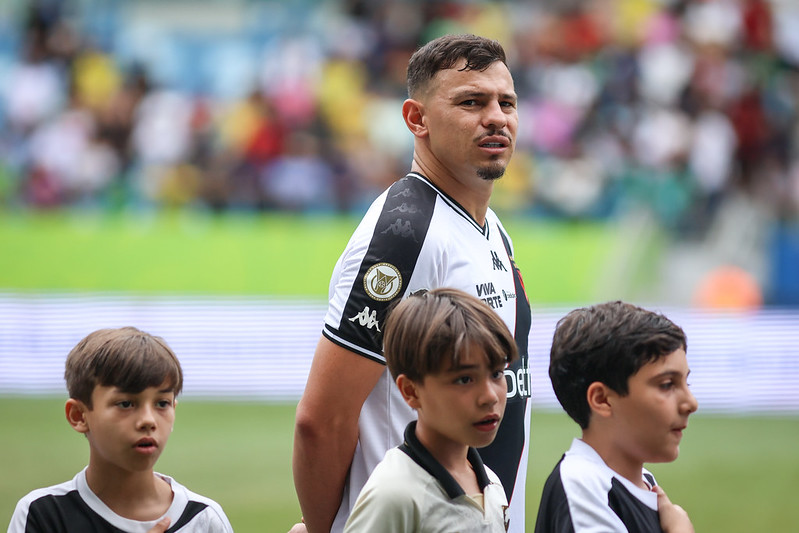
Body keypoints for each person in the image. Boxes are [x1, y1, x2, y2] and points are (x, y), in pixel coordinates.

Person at [292, 33, 531, 533]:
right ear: (416, 120)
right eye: (471, 102)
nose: (496, 117)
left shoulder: (490, 228)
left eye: (506, 102)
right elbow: (324, 419)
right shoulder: (406, 232)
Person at [7, 326, 234, 533]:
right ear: (78, 415)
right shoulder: (43, 514)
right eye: (126, 404)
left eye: (162, 404)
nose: (148, 420)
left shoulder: (203, 520)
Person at [343, 288, 518, 532]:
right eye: (465, 379)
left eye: (497, 373)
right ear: (411, 391)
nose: (489, 396)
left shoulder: (492, 486)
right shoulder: (394, 495)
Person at [534, 301, 698, 533]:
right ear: (602, 399)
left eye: (686, 382)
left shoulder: (641, 480)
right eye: (667, 384)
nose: (691, 403)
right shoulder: (584, 486)